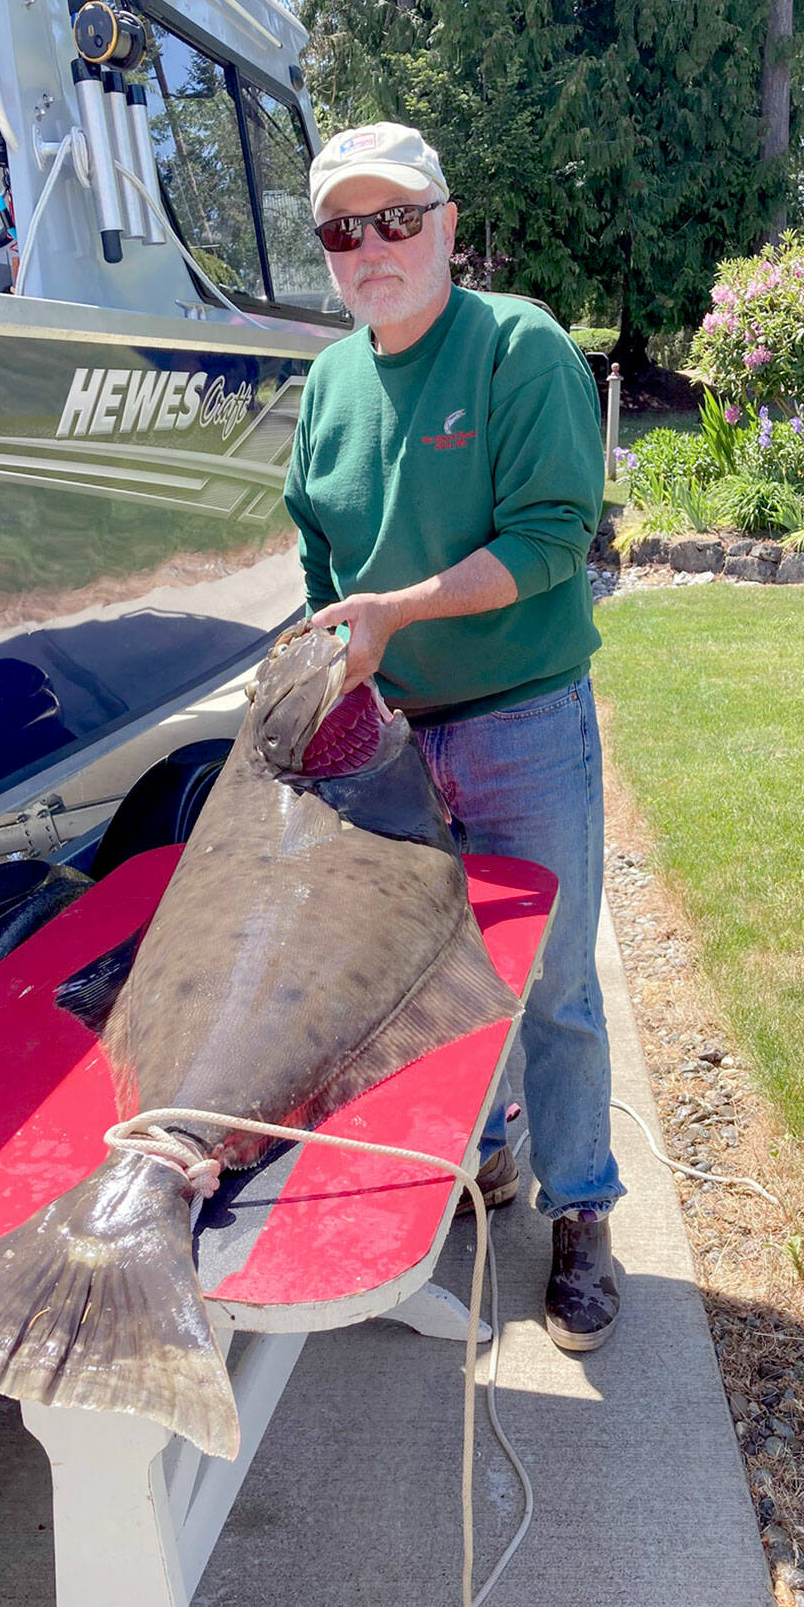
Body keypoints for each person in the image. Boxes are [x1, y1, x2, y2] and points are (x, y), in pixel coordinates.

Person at [283, 122, 624, 1351]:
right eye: (341, 229)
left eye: (394, 219)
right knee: (430, 984)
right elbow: (318, 553)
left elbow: (549, 538)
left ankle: (581, 1208)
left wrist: (400, 612)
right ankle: (479, 1159)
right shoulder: (327, 380)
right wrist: (328, 652)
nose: (370, 248)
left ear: (443, 219)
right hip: (384, 739)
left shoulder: (514, 343)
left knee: (555, 986)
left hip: (522, 721)